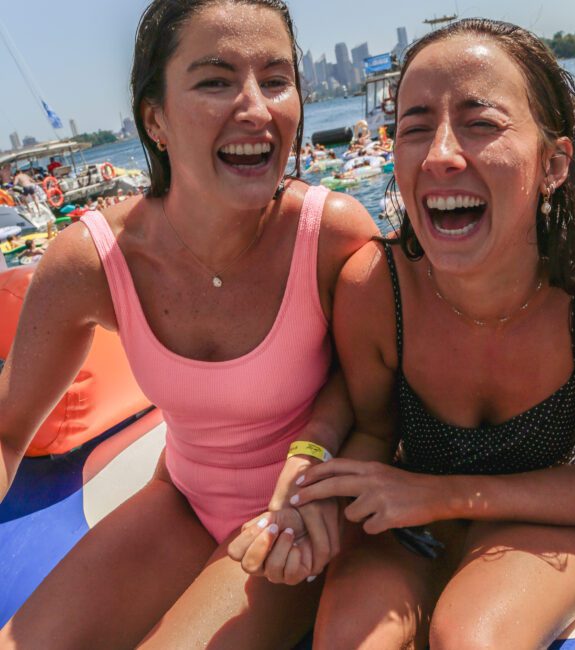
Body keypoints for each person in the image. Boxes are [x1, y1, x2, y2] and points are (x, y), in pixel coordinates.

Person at [0, 1, 375, 648]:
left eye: (276, 78)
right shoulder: (93, 260)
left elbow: (382, 395)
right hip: (182, 498)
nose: (256, 108)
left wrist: (318, 475)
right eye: (215, 80)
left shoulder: (331, 234)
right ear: (155, 120)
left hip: (297, 521)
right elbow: (7, 430)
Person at [283, 19, 575, 649]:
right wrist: (308, 505)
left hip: (561, 514)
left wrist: (439, 495)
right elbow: (372, 430)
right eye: (414, 127)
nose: (440, 154)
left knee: (472, 640)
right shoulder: (376, 287)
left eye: (481, 124)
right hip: (414, 517)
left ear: (554, 162)